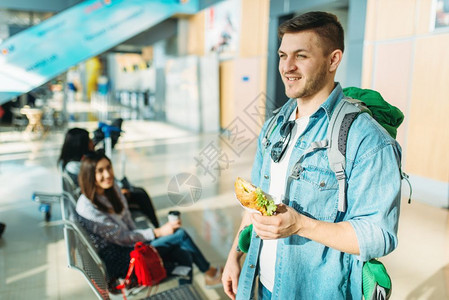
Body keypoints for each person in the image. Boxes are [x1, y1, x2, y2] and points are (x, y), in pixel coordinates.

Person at [222, 11, 402, 299]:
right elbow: (256, 200)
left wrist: (301, 225)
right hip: (265, 284)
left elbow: (379, 235)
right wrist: (235, 255)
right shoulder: (274, 124)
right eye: (283, 55)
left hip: (316, 290)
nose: (287, 67)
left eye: (301, 56)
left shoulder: (366, 138)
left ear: (333, 60)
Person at [75, 151, 223, 288]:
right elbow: (121, 238)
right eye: (100, 171)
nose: (107, 174)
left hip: (132, 247)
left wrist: (145, 239)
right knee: (180, 235)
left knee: (184, 254)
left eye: (108, 167)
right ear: (89, 175)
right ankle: (209, 273)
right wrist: (157, 232)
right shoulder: (88, 208)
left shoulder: (111, 189)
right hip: (123, 261)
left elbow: (127, 221)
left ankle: (194, 288)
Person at [58, 127, 160, 227]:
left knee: (138, 192)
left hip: (104, 192)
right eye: (89, 140)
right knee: (140, 195)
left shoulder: (72, 162)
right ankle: (156, 227)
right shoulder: (77, 166)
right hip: (102, 197)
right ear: (80, 144)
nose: (92, 142)